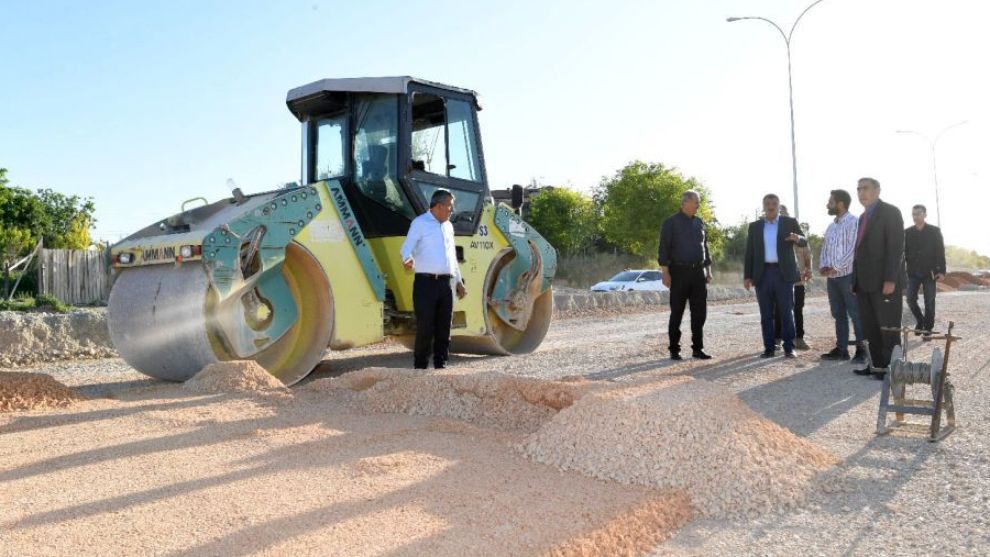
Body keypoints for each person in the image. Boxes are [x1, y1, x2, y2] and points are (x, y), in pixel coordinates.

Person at [400, 189, 467, 369]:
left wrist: (459, 281)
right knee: (425, 328)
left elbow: (452, 256)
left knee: (444, 328)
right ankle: (420, 367)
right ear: (439, 206)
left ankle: (441, 365)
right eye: (450, 207)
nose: (452, 211)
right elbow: (406, 248)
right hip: (425, 284)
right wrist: (408, 259)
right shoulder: (420, 223)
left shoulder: (448, 227)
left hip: (446, 284)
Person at [851, 177, 905, 379]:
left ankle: (892, 368)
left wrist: (891, 279)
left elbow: (896, 247)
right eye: (858, 189)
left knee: (888, 326)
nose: (861, 193)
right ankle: (876, 365)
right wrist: (854, 281)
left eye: (865, 188)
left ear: (878, 190)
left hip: (884, 282)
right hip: (864, 282)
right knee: (870, 326)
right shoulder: (862, 217)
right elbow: (858, 252)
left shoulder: (890, 212)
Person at [744, 194, 808, 358]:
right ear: (763, 206)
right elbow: (749, 253)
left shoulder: (789, 222)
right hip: (763, 274)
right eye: (767, 203)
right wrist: (747, 276)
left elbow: (804, 240)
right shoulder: (755, 226)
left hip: (783, 273)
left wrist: (797, 238)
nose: (771, 206)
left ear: (779, 206)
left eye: (774, 203)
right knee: (766, 314)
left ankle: (789, 347)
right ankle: (769, 347)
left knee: (787, 312)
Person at [657, 190, 713, 360]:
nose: (698, 205)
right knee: (677, 312)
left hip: (698, 273)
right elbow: (664, 248)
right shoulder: (671, 222)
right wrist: (665, 272)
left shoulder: (699, 222)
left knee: (699, 313)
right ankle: (674, 349)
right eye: (696, 201)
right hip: (679, 272)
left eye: (699, 202)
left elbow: (705, 247)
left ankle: (698, 348)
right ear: (685, 203)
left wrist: (708, 270)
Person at [818, 189, 866, 362]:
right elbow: (825, 249)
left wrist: (836, 267)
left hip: (848, 276)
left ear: (840, 204)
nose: (827, 204)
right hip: (832, 279)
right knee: (838, 314)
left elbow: (854, 249)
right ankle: (842, 349)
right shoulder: (831, 227)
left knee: (855, 313)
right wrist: (823, 266)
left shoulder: (854, 222)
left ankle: (862, 350)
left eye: (830, 202)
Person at [772, 205, 812, 350]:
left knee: (797, 309)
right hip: (779, 280)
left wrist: (809, 269)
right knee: (777, 310)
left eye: (784, 215)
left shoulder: (799, 238)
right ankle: (776, 339)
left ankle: (799, 338)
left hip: (798, 280)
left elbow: (808, 255)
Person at [904, 204, 946, 339]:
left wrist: (942, 271)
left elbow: (940, 252)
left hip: (930, 272)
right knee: (910, 299)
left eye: (918, 214)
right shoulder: (907, 232)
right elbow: (904, 252)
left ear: (925, 214)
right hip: (912, 272)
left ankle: (928, 328)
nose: (916, 217)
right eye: (914, 214)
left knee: (929, 301)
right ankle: (920, 321)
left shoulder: (934, 231)